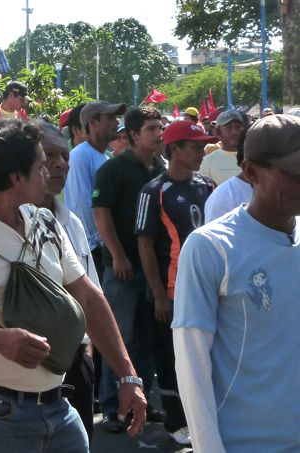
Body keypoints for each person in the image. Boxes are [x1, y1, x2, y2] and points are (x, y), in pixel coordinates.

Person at [0, 118, 147, 452]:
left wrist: (128, 376)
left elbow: (88, 299)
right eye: (40, 165)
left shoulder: (44, 221)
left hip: (60, 406)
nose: (50, 171)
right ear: (16, 177)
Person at [173, 114, 300, 452]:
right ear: (251, 172)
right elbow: (191, 364)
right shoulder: (211, 247)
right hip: (244, 443)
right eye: (292, 173)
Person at [135, 120, 217, 446]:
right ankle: (175, 419)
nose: (202, 151)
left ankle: (204, 416)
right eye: (195, 146)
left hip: (206, 289)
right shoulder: (153, 191)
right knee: (170, 358)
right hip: (170, 293)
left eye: (202, 146)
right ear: (175, 150)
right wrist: (158, 295)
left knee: (207, 356)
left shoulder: (208, 186)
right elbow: (144, 244)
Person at [92, 106, 166, 432]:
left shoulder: (163, 169)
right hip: (122, 270)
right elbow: (101, 214)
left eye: (160, 128)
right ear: (133, 135)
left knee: (148, 338)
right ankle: (112, 406)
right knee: (117, 337)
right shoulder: (113, 170)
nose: (158, 134)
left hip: (154, 271)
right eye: (151, 128)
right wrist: (117, 255)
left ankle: (143, 401)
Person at [32, 121, 101, 438]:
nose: (60, 164)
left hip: (73, 362)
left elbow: (91, 295)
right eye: (49, 155)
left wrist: (86, 352)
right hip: (23, 368)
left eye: (64, 156)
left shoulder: (70, 223)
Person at [63, 101, 126, 276]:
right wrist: (96, 245)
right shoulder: (80, 156)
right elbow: (80, 204)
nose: (117, 123)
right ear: (92, 123)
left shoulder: (104, 157)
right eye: (110, 118)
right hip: (90, 250)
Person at [199, 110, 245, 185]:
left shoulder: (253, 159)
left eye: (238, 127)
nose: (234, 131)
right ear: (218, 132)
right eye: (229, 128)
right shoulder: (207, 162)